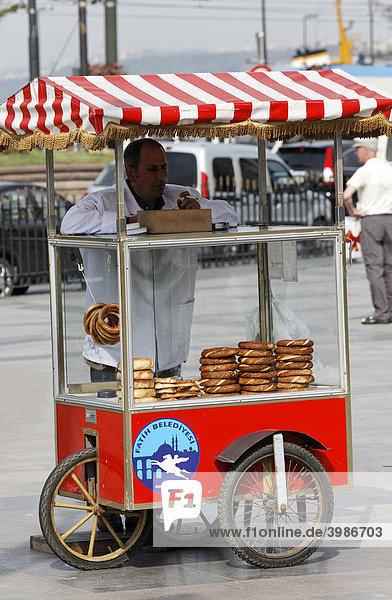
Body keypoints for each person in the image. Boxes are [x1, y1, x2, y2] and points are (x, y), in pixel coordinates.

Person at [61, 138, 238, 379]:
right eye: (152, 169)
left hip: (167, 349)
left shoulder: (182, 196)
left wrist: (199, 213)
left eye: (164, 168)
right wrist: (127, 224)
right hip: (115, 355)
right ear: (131, 173)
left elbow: (230, 214)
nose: (161, 176)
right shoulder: (104, 201)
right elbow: (69, 223)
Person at [343, 137, 392, 324]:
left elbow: (347, 195)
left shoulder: (365, 170)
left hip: (371, 220)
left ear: (366, 150)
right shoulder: (388, 168)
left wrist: (353, 211)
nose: (356, 153)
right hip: (390, 219)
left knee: (374, 267)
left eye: (358, 149)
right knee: (389, 266)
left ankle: (382, 311)